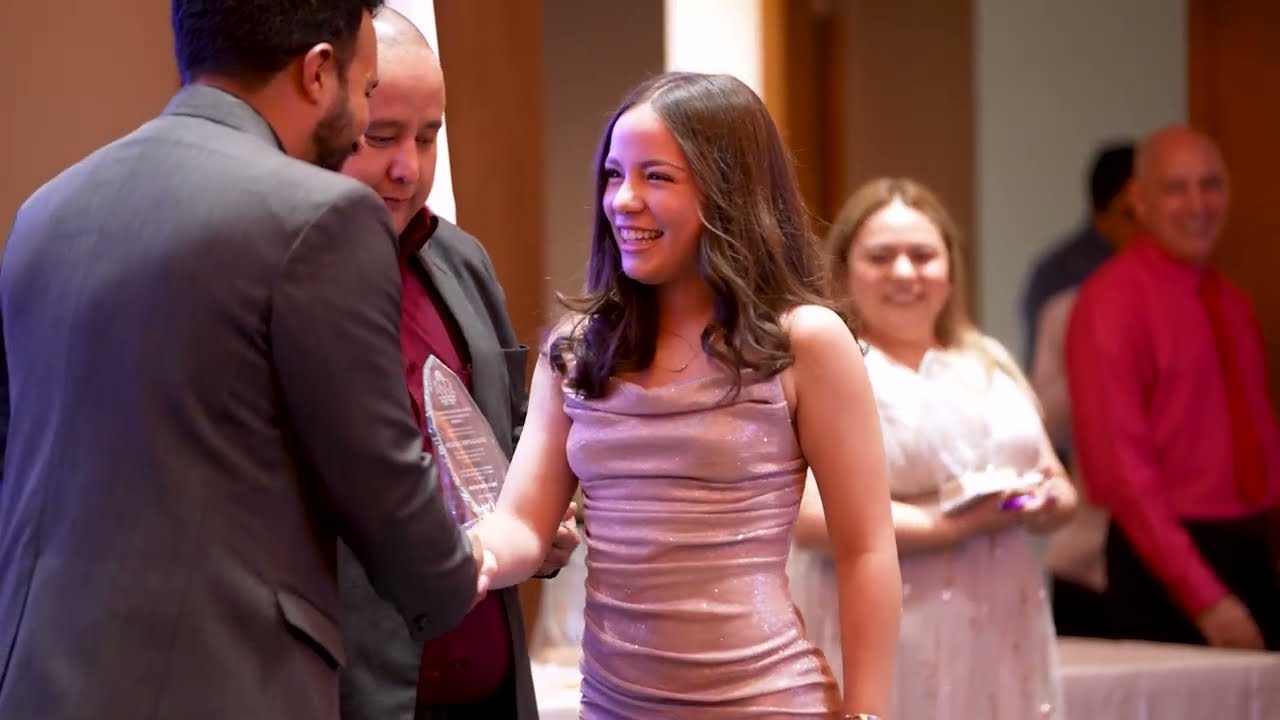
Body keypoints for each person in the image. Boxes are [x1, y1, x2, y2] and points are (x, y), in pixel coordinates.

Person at [0, 2, 489, 718]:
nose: (363, 122)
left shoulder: (45, 211)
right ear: (318, 72)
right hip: (220, 686)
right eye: (366, 93)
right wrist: (468, 566)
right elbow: (383, 486)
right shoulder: (320, 217)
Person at [473, 71, 901, 718]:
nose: (623, 200)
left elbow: (866, 548)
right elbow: (523, 525)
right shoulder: (577, 350)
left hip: (767, 703)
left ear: (728, 192)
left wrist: (868, 713)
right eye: (614, 175)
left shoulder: (804, 341)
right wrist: (467, 554)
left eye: (657, 177)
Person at [336, 9, 578, 719]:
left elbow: (512, 436)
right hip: (362, 690)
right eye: (381, 136)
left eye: (427, 136)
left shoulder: (462, 261)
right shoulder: (287, 278)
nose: (408, 168)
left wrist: (546, 516)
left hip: (489, 685)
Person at [791, 178, 1077, 719]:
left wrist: (1044, 502)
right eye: (881, 257)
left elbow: (1056, 482)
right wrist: (958, 523)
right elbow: (809, 519)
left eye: (922, 255)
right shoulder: (834, 365)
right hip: (893, 626)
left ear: (949, 268)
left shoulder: (985, 358)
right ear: (845, 270)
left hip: (1002, 622)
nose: (904, 272)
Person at [1066, 125, 1280, 650]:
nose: (1198, 204)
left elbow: (1262, 441)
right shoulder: (1109, 303)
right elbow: (1124, 475)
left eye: (1211, 185)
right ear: (1139, 201)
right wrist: (1206, 598)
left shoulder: (1232, 302)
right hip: (1163, 567)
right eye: (1176, 188)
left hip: (1249, 553)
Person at [1023, 144, 1138, 640]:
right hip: (1088, 535)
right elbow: (1043, 419)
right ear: (1102, 215)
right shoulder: (1065, 295)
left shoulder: (1209, 301)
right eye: (1130, 212)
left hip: (1181, 548)